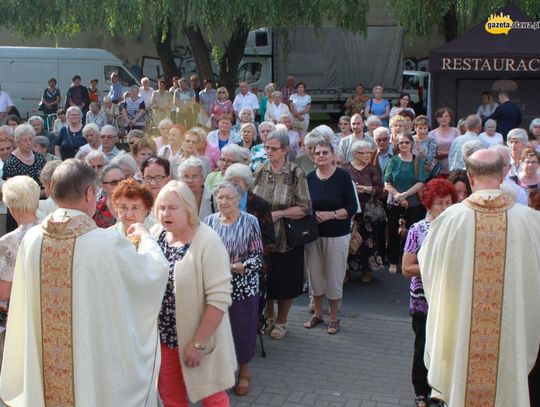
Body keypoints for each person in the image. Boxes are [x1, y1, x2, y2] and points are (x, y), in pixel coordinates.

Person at [0, 159, 169, 406]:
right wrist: (146, 239)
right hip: (90, 359)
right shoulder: (106, 243)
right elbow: (153, 272)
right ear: (89, 193)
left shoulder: (33, 239)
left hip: (47, 370)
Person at [418, 148, 540, 406]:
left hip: (464, 326)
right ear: (503, 173)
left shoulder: (450, 219)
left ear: (470, 177)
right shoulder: (530, 221)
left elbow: (429, 267)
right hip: (510, 328)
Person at [152, 181, 236, 405]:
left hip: (198, 338)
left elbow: (219, 300)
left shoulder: (208, 242)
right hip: (165, 338)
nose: (165, 213)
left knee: (212, 398)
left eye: (172, 207)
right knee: (171, 399)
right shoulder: (157, 234)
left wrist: (199, 344)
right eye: (161, 207)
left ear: (189, 207)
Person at [204, 181, 263, 396]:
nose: (223, 201)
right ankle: (223, 373)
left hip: (243, 288)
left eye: (229, 197)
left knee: (241, 331)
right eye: (220, 197)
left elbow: (256, 260)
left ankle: (244, 372)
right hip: (215, 287)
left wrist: (232, 267)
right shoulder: (209, 221)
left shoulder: (250, 222)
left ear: (239, 200)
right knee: (216, 332)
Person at [401, 179, 457, 407]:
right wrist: (437, 266)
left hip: (450, 300)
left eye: (448, 202)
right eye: (439, 203)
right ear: (427, 205)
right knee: (423, 345)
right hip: (424, 301)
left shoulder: (457, 229)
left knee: (446, 348)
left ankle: (441, 391)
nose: (445, 207)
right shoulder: (418, 230)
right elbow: (406, 268)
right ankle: (421, 392)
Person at [252, 129, 312, 339]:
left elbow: (305, 207)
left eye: (273, 148)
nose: (268, 151)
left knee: (285, 283)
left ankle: (281, 321)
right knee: (266, 280)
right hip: (263, 239)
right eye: (266, 147)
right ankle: (269, 317)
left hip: (287, 239)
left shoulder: (296, 173)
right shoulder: (260, 170)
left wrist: (279, 213)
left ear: (285, 150)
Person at [304, 140, 357, 333]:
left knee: (334, 277)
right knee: (315, 277)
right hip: (314, 235)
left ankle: (334, 317)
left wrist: (332, 214)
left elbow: (352, 207)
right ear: (313, 156)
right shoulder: (309, 178)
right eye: (317, 153)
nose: (321, 155)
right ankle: (318, 314)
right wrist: (313, 214)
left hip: (337, 235)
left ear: (333, 155)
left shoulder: (343, 177)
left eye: (325, 152)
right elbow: (306, 205)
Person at [0, 176, 41, 368]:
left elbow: (4, 293)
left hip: (21, 314)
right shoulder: (52, 229)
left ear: (11, 207)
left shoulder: (9, 242)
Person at [384, 133, 427, 274]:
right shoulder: (393, 161)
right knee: (393, 233)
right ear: (397, 144)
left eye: (406, 142)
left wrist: (406, 195)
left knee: (412, 234)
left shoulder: (417, 161)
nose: (404, 145)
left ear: (411, 144)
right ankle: (393, 261)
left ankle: (409, 262)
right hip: (394, 203)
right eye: (401, 142)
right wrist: (398, 195)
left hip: (413, 203)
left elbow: (421, 182)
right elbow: (387, 182)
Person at [343, 140, 384, 283]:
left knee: (368, 241)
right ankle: (346, 271)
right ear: (354, 154)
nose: (367, 155)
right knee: (349, 240)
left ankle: (367, 271)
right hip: (351, 211)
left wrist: (366, 189)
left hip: (368, 212)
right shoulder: (345, 168)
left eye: (369, 152)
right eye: (363, 152)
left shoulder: (372, 168)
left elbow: (380, 189)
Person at [2, 124, 47, 189]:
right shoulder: (11, 162)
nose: (28, 143)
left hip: (42, 196)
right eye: (25, 140)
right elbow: (11, 189)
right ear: (17, 141)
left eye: (31, 139)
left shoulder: (40, 158)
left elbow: (47, 182)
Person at [428, 107, 460, 176]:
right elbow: (430, 152)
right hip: (437, 168)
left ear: (450, 118)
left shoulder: (456, 131)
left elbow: (459, 150)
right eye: (441, 116)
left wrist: (446, 153)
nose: (444, 118)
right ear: (437, 119)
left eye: (446, 116)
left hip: (452, 168)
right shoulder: (432, 133)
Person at [93, 164, 126, 228]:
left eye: (122, 180)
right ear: (103, 186)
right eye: (113, 182)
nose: (120, 185)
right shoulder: (95, 210)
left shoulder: (137, 204)